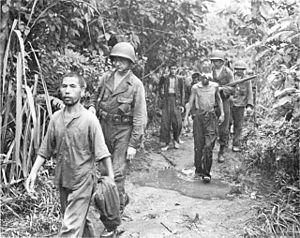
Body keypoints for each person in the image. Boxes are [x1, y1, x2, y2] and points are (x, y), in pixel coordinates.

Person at [25, 72, 116, 237]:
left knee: (70, 227)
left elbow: (102, 153)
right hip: (63, 179)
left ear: (82, 91)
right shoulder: (55, 119)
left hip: (83, 181)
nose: (67, 90)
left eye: (73, 86)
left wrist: (111, 180)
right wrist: (33, 172)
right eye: (64, 86)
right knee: (80, 221)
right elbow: (45, 150)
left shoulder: (89, 120)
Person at [88, 42, 147, 216]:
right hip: (104, 128)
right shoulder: (106, 78)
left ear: (130, 63)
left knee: (118, 172)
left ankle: (115, 211)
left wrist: (134, 144)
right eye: (115, 59)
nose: (117, 63)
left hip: (123, 131)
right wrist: (92, 106)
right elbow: (94, 95)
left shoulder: (135, 85)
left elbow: (139, 116)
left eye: (122, 60)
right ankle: (115, 199)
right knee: (105, 170)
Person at [183, 74, 224, 183]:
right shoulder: (195, 88)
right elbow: (190, 102)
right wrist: (186, 118)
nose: (205, 79)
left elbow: (219, 100)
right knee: (198, 144)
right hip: (199, 117)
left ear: (210, 79)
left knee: (208, 145)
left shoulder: (214, 86)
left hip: (210, 116)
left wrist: (222, 113)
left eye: (207, 78)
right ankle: (198, 169)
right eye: (203, 78)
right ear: (201, 79)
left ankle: (207, 172)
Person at [210, 50, 234, 163]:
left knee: (224, 127)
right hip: (213, 101)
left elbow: (233, 88)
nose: (215, 63)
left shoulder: (228, 72)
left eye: (217, 61)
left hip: (224, 101)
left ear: (222, 62)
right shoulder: (212, 72)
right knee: (211, 125)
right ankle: (210, 148)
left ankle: (222, 151)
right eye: (214, 61)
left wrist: (222, 89)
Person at [158, 64, 185, 151]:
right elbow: (159, 87)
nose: (173, 70)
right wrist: (162, 97)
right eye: (171, 68)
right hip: (167, 100)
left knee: (178, 123)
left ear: (177, 69)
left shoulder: (180, 79)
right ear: (169, 69)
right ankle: (166, 142)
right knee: (165, 122)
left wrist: (182, 104)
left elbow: (182, 91)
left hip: (176, 101)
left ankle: (176, 139)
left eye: (175, 68)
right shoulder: (165, 77)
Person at [231, 60, 254, 152]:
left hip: (240, 105)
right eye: (237, 69)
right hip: (230, 104)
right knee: (227, 124)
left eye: (241, 69)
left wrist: (249, 105)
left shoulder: (247, 81)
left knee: (238, 125)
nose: (239, 71)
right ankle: (223, 144)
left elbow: (249, 94)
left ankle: (236, 144)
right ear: (235, 69)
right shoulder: (230, 78)